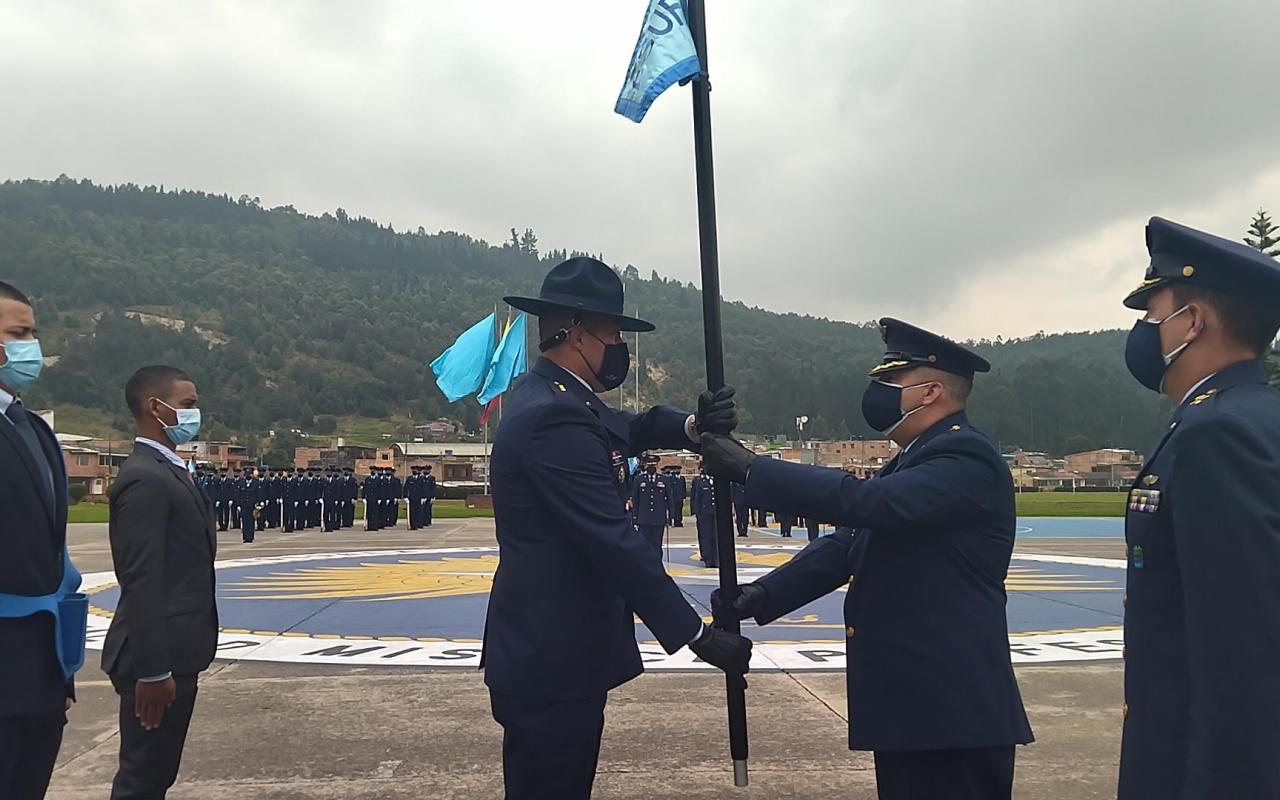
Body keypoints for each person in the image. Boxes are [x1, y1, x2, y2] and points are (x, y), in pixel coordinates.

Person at [703, 317, 1033, 800]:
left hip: (951, 713)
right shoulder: (915, 457)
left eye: (890, 381)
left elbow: (866, 504)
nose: (877, 391)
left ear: (930, 392)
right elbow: (848, 544)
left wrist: (753, 469)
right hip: (916, 707)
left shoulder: (964, 457)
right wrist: (762, 595)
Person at [484, 257, 752, 799]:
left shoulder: (562, 401)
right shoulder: (553, 417)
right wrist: (697, 635)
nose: (619, 349)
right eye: (613, 335)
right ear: (580, 337)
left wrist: (694, 426)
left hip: (558, 655)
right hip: (552, 661)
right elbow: (614, 542)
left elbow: (630, 427)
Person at [1115, 217, 1280, 799]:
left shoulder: (1216, 435)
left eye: (1153, 313)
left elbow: (1239, 657)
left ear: (1193, 321)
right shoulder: (1253, 417)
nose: (1144, 331)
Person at [101, 366, 217, 800]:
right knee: (142, 778)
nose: (195, 413)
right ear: (155, 407)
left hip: (177, 651)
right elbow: (141, 579)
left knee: (157, 775)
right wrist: (153, 670)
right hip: (156, 659)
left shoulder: (168, 469)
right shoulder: (144, 477)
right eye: (187, 405)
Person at [0, 281, 85, 800]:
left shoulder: (34, 429)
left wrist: (61, 674)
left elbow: (52, 559)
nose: (32, 345)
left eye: (33, 331)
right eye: (18, 333)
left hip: (39, 673)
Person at [629, 456, 669, 554]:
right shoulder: (639, 479)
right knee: (644, 545)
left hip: (658, 519)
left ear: (657, 465)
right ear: (646, 465)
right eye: (649, 464)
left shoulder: (664, 479)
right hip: (643, 519)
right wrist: (634, 516)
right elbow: (636, 499)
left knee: (657, 545)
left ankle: (657, 566)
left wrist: (671, 515)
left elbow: (669, 499)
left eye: (654, 464)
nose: (651, 466)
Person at [689, 464, 718, 568]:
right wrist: (696, 512)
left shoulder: (716, 479)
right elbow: (696, 498)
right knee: (706, 536)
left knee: (716, 535)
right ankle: (707, 557)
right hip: (704, 513)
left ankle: (716, 558)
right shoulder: (699, 481)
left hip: (715, 512)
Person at [236, 466, 260, 544]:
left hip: (252, 505)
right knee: (244, 521)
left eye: (249, 474)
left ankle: (250, 537)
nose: (248, 476)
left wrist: (257, 504)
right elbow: (239, 494)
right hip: (243, 505)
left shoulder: (256, 483)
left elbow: (257, 495)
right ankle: (245, 537)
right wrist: (238, 505)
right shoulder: (241, 483)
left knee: (251, 521)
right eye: (247, 474)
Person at [364, 467, 381, 532]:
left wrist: (380, 498)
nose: (372, 471)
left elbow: (380, 490)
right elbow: (365, 489)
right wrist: (364, 497)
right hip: (369, 499)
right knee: (369, 513)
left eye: (374, 470)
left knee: (375, 513)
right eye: (372, 470)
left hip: (376, 498)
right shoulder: (367, 479)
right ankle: (370, 526)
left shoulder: (378, 479)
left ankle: (375, 526)